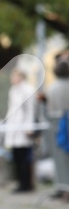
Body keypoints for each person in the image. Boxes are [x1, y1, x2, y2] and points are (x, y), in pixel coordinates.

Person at [4, 68, 36, 192]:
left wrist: (29, 127)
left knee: (25, 158)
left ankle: (27, 184)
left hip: (23, 128)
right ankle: (21, 183)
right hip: (14, 127)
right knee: (17, 157)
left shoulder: (28, 90)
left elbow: (30, 110)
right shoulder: (13, 90)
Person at [44, 56, 69, 199]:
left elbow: (49, 108)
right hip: (63, 123)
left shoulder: (52, 87)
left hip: (57, 125)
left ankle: (62, 187)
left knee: (60, 158)